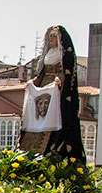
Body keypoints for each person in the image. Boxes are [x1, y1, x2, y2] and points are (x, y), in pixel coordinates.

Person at [20, 25, 85, 163]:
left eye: (54, 37)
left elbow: (66, 71)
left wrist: (60, 79)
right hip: (45, 86)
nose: (51, 39)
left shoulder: (63, 54)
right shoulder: (48, 55)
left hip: (55, 89)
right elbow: (42, 73)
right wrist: (34, 82)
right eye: (50, 37)